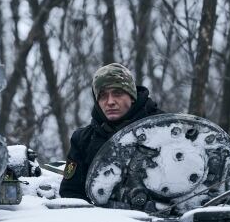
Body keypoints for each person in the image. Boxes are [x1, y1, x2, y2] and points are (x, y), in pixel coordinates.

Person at [59, 63, 164, 201]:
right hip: (103, 219)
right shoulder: (83, 139)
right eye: (102, 96)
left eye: (117, 93)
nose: (110, 102)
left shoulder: (163, 128)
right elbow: (70, 193)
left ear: (132, 96)